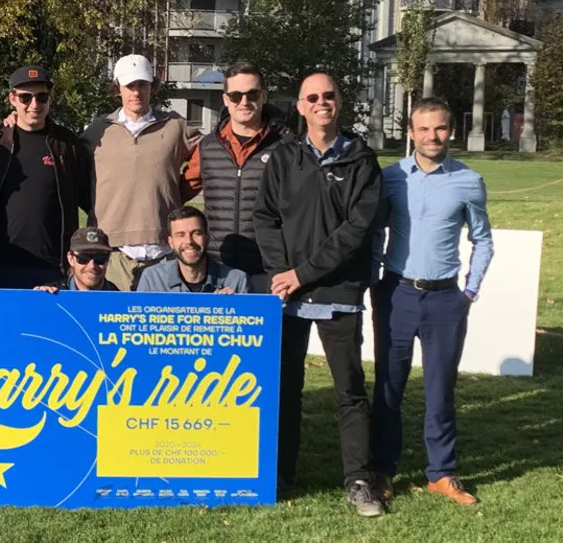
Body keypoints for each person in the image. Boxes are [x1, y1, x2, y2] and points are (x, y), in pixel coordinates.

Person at [253, 73, 384, 517]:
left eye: (328, 95)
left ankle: (359, 481)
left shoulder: (362, 160)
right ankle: (280, 475)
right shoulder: (284, 157)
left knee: (350, 391)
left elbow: (356, 232)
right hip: (287, 295)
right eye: (312, 97)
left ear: (339, 102)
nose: (321, 102)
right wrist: (280, 274)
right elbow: (265, 218)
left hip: (338, 292)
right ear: (301, 107)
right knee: (285, 389)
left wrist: (301, 274)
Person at [371, 97, 493, 506]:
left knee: (441, 390)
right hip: (396, 293)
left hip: (445, 300)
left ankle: (441, 473)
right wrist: (374, 279)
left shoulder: (469, 181)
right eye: (423, 129)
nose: (432, 136)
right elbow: (374, 231)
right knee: (388, 387)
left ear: (451, 131)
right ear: (411, 133)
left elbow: (483, 239)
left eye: (440, 128)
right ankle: (382, 470)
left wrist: (469, 292)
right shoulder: (391, 177)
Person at [82, 54, 203, 291]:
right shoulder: (97, 131)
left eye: (142, 85)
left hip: (165, 252)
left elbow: (208, 155)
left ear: (152, 86)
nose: (136, 92)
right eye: (130, 86)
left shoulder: (175, 126)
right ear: (118, 88)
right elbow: (74, 175)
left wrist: (177, 193)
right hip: (113, 253)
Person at [0, 65, 92, 288]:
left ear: (50, 99)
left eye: (41, 97)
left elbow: (89, 199)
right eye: (26, 97)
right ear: (12, 99)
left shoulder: (67, 145)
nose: (34, 105)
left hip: (53, 269)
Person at [180, 61, 290, 293]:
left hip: (267, 270)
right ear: (226, 99)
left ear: (263, 96)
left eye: (252, 94)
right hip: (218, 270)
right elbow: (179, 192)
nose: (244, 102)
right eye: (236, 95)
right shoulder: (207, 147)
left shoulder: (286, 146)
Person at [137, 206, 248, 294]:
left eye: (196, 233)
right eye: (180, 235)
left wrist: (234, 306)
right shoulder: (152, 278)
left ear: (207, 238)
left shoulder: (237, 280)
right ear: (171, 242)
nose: (189, 241)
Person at [33, 226, 120, 292]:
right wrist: (37, 301)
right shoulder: (53, 294)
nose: (92, 266)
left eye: (100, 258)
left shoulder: (120, 300)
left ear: (108, 260)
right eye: (83, 258)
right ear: (71, 259)